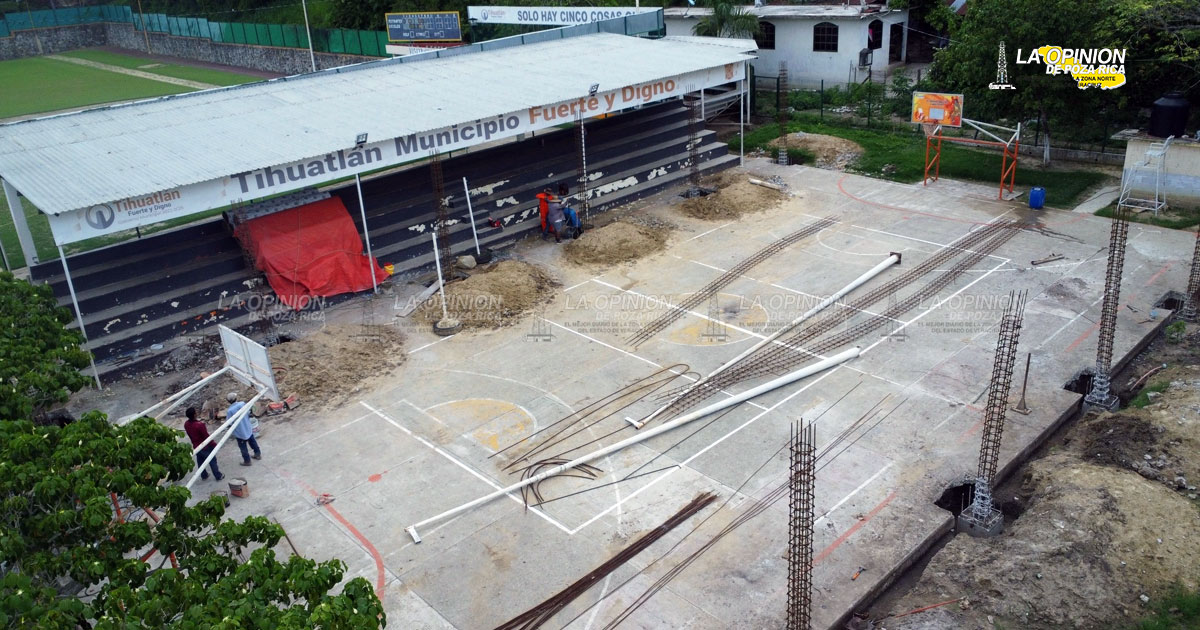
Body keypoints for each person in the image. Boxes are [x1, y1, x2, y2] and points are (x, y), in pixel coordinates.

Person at [184, 407, 223, 481]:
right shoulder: (200, 425)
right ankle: (218, 475)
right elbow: (206, 437)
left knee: (200, 461)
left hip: (196, 446)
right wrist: (214, 444)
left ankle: (204, 475)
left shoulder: (186, 424)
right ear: (194, 414)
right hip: (205, 446)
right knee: (212, 460)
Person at [227, 392, 262, 466]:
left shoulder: (229, 411)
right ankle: (257, 454)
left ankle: (247, 461)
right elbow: (249, 413)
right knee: (252, 441)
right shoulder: (242, 404)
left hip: (239, 432)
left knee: (243, 448)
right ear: (236, 398)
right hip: (248, 428)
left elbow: (229, 423)